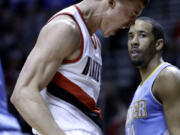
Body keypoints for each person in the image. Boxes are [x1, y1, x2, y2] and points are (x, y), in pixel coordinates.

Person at [10, 0, 149, 135]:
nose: (132, 23)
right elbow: (23, 93)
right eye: (133, 14)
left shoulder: (94, 42)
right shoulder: (65, 28)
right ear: (112, 2)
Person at [125, 17, 180, 135]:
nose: (134, 42)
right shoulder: (141, 88)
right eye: (130, 36)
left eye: (142, 35)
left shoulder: (167, 76)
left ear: (158, 44)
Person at [0, 59, 23, 135]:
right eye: (13, 61)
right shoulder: (8, 73)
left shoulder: (20, 72)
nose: (14, 62)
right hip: (10, 96)